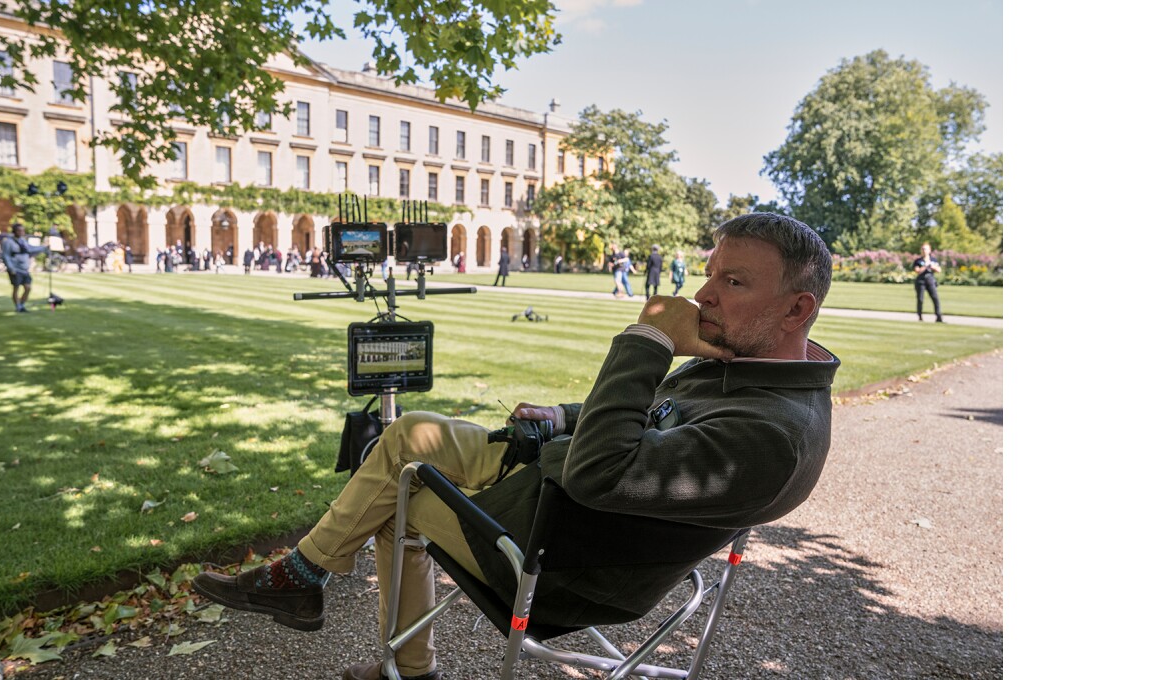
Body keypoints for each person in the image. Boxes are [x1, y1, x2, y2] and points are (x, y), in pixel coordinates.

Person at [193, 212, 840, 680]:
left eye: (733, 282)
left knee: (398, 488)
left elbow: (600, 475)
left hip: (558, 558)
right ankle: (305, 581)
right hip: (550, 494)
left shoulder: (773, 436)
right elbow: (648, 415)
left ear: (795, 309)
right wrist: (562, 416)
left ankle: (322, 597)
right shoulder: (745, 365)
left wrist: (646, 340)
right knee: (413, 430)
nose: (700, 295)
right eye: (709, 275)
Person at [0, 223, 49, 313]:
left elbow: (30, 249)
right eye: (19, 230)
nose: (22, 232)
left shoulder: (23, 241)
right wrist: (10, 268)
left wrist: (43, 248)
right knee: (16, 288)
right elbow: (6, 256)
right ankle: (18, 306)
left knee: (28, 287)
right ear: (15, 231)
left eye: (23, 230)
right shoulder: (8, 242)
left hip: (24, 269)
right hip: (15, 269)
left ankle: (21, 305)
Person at [912, 242, 944, 322]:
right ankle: (920, 316)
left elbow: (939, 270)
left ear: (929, 250)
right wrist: (926, 266)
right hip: (921, 280)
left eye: (925, 249)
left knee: (935, 298)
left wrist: (933, 267)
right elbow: (917, 271)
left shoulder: (933, 260)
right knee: (920, 299)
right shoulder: (918, 261)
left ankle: (938, 315)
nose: (924, 251)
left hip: (930, 279)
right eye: (922, 249)